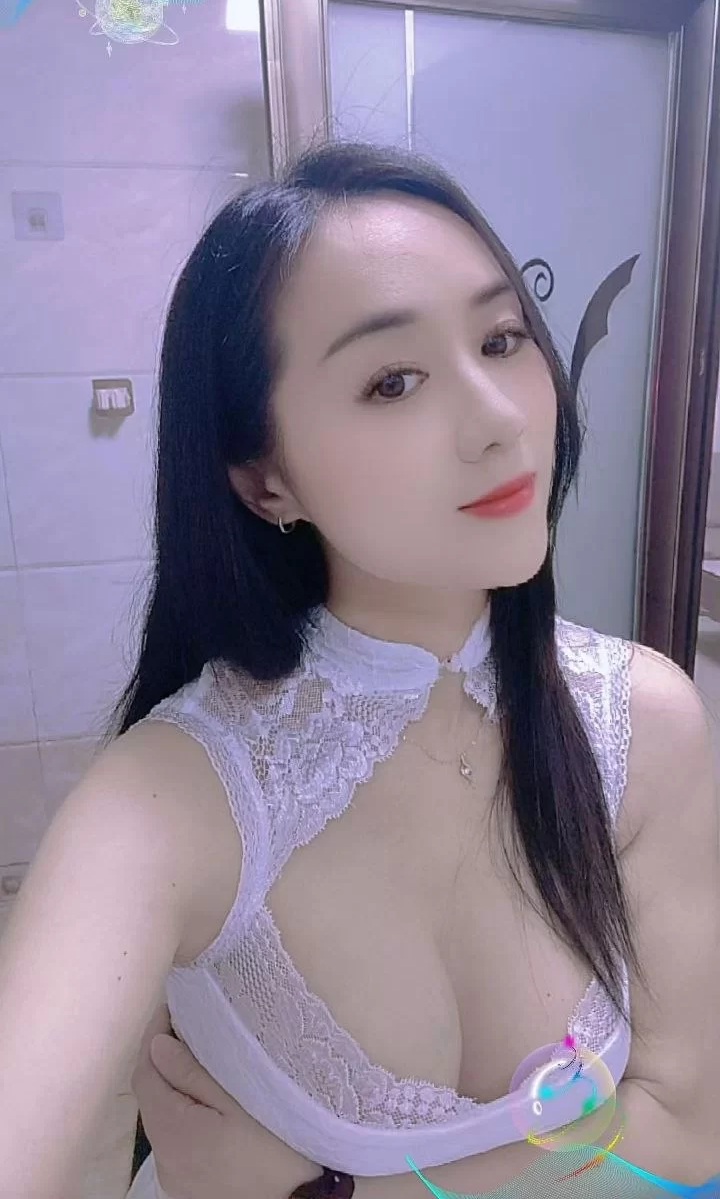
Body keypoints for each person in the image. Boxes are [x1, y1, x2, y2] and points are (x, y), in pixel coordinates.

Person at [0, 141, 717, 1199]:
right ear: (266, 479)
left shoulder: (644, 719)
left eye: (502, 338)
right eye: (393, 380)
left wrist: (327, 1191)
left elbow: (690, 1129)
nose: (501, 417)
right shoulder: (176, 796)